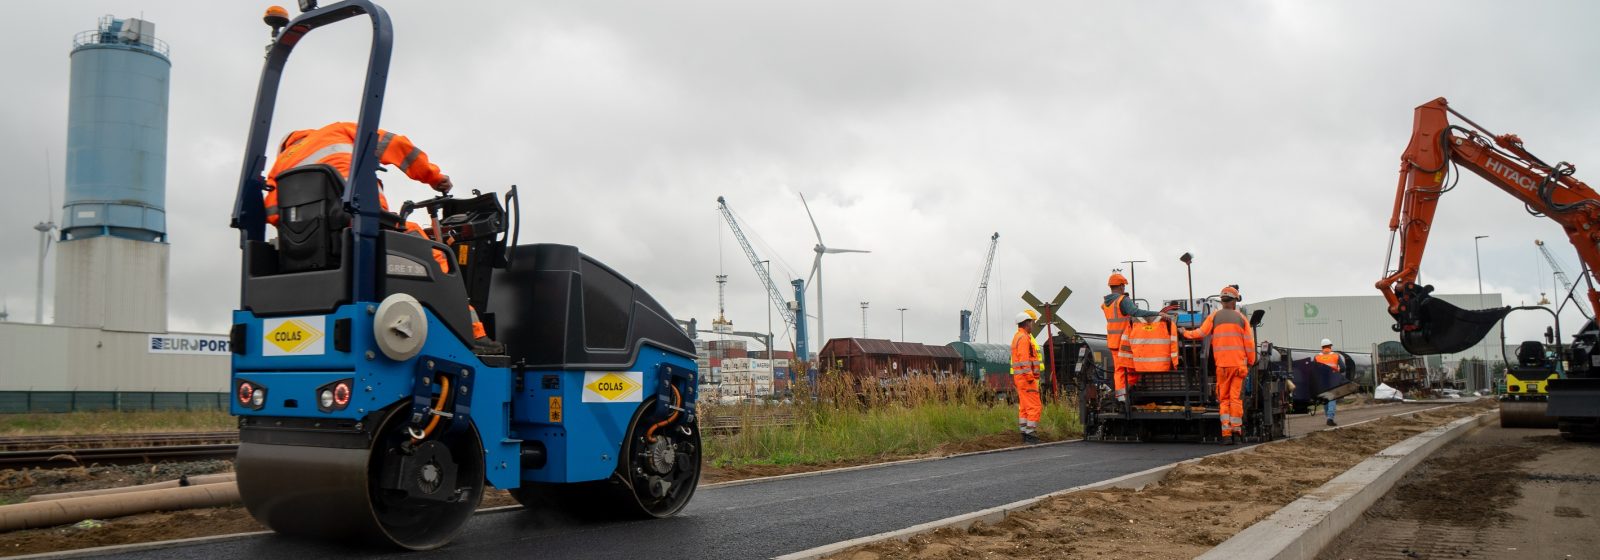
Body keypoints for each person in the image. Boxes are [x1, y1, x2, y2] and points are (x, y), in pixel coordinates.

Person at [265, 123, 497, 352]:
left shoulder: (280, 166)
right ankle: (472, 335)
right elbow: (398, 147)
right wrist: (435, 178)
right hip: (367, 223)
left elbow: (274, 214)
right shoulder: (339, 131)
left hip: (313, 247)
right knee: (432, 253)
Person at [1181, 286, 1257, 445]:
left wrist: (1184, 332)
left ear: (1222, 301)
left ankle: (1226, 434)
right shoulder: (1241, 318)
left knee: (1224, 400)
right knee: (1235, 399)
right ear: (1234, 301)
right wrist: (1251, 361)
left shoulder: (1214, 316)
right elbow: (1249, 344)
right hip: (1238, 366)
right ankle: (1237, 431)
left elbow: (1200, 333)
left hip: (1222, 367)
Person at [1102, 273, 1165, 401]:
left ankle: (1120, 397)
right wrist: (1158, 314)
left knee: (1120, 371)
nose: (1124, 288)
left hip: (1113, 342)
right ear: (1120, 286)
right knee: (1134, 370)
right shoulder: (1122, 300)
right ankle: (1122, 395)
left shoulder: (1106, 304)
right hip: (1124, 342)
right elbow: (1136, 313)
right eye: (1123, 286)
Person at [1010, 311, 1044, 444]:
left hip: (1020, 379)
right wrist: (1030, 377)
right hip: (1026, 379)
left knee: (1024, 407)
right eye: (1032, 322)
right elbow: (1024, 360)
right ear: (1027, 323)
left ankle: (1024, 433)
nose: (1033, 325)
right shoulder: (1024, 338)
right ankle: (1030, 433)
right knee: (1035, 406)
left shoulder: (1018, 336)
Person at [1314, 338, 1341, 426]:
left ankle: (1327, 416)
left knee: (1325, 399)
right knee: (1331, 398)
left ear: (1322, 347)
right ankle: (1330, 418)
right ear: (1330, 346)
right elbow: (1343, 368)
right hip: (1332, 380)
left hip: (1321, 382)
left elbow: (1313, 370)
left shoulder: (1317, 357)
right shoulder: (1336, 356)